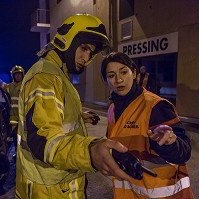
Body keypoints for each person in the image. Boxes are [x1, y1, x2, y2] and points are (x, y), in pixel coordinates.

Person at [15, 14, 131, 199]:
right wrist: (91, 151)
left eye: (91, 53)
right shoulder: (45, 77)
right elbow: (43, 140)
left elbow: (53, 115)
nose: (86, 57)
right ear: (66, 39)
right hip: (49, 188)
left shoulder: (57, 73)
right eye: (84, 48)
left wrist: (80, 115)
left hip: (57, 183)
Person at [101, 52, 194, 199]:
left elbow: (184, 152)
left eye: (124, 72)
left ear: (134, 74)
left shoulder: (156, 106)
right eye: (111, 75)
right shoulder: (112, 109)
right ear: (106, 80)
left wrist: (169, 143)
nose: (118, 80)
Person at [0, 65, 25, 149]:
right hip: (13, 119)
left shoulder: (25, 86)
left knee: (24, 139)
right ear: (13, 76)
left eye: (19, 74)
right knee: (15, 139)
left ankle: (22, 154)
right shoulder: (11, 86)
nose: (18, 76)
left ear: (22, 75)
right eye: (16, 74)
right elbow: (4, 86)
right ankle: (17, 153)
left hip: (23, 117)